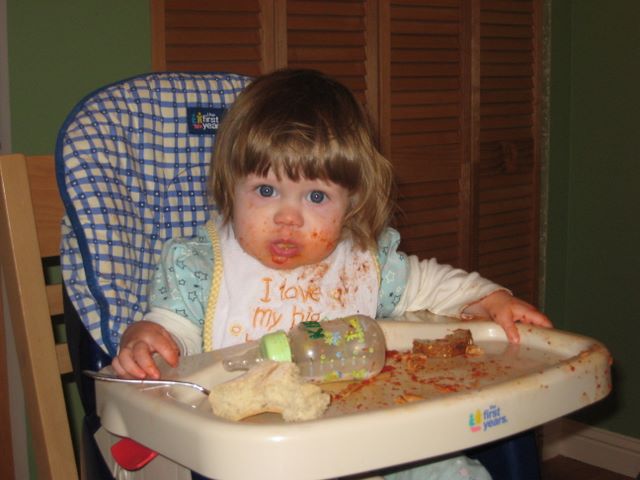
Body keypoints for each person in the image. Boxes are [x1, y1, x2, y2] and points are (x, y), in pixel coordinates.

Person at [112, 68, 552, 479]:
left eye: (317, 197)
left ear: (351, 202)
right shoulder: (202, 267)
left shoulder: (359, 261)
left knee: (451, 470)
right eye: (266, 190)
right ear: (230, 186)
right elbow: (177, 337)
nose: (288, 218)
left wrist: (488, 298)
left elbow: (429, 285)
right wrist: (149, 339)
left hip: (368, 438)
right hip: (259, 455)